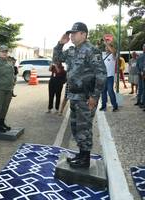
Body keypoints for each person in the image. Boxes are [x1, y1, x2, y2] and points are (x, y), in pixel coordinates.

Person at [53, 22, 106, 168]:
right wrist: (59, 44)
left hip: (86, 96)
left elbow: (101, 75)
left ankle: (85, 159)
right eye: (70, 33)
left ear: (83, 34)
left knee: (85, 127)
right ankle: (81, 154)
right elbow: (56, 60)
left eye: (74, 33)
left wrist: (94, 97)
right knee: (76, 127)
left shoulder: (92, 51)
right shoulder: (71, 51)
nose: (71, 36)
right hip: (74, 95)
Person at [0, 45, 15, 132]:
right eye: (3, 52)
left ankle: (2, 122)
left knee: (5, 107)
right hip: (0, 89)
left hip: (8, 89)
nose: (4, 53)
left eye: (6, 52)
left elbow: (12, 76)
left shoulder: (9, 62)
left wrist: (12, 87)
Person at [99, 42, 118, 112]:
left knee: (110, 91)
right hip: (103, 76)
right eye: (106, 46)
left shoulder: (113, 54)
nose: (106, 47)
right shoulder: (103, 55)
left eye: (108, 46)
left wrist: (106, 42)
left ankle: (115, 106)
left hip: (110, 77)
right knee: (103, 92)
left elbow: (113, 51)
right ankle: (104, 106)